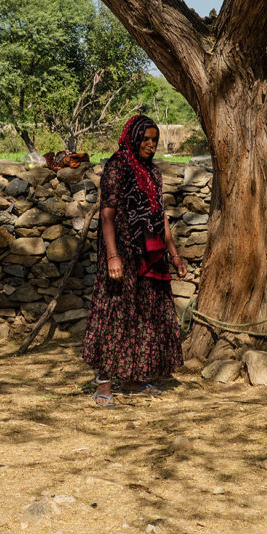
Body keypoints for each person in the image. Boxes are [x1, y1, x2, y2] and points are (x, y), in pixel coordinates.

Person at [82, 113, 187, 404]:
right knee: (116, 314)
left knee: (144, 315)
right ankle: (103, 384)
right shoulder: (118, 166)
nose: (150, 144)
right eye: (145, 139)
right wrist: (113, 257)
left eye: (154, 140)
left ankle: (132, 378)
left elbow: (160, 217)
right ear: (133, 137)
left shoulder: (152, 173)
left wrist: (175, 255)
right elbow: (107, 214)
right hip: (124, 252)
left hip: (150, 252)